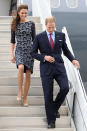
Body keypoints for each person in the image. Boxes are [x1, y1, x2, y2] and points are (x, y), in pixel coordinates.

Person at [31, 17, 80, 128]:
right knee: (48, 95)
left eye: (53, 27)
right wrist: (44, 57)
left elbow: (66, 50)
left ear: (55, 25)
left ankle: (53, 108)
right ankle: (51, 121)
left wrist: (73, 59)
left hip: (59, 67)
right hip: (46, 68)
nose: (51, 29)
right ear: (45, 25)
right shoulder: (39, 37)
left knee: (65, 88)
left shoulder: (60, 36)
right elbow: (32, 53)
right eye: (49, 27)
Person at [10, 5, 36, 106]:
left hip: (29, 51)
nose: (24, 15)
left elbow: (34, 40)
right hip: (19, 49)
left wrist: (37, 51)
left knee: (28, 74)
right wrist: (12, 55)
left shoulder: (31, 24)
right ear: (18, 13)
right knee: (20, 67)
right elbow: (12, 41)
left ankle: (25, 98)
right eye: (22, 13)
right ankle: (20, 91)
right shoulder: (14, 24)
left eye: (26, 13)